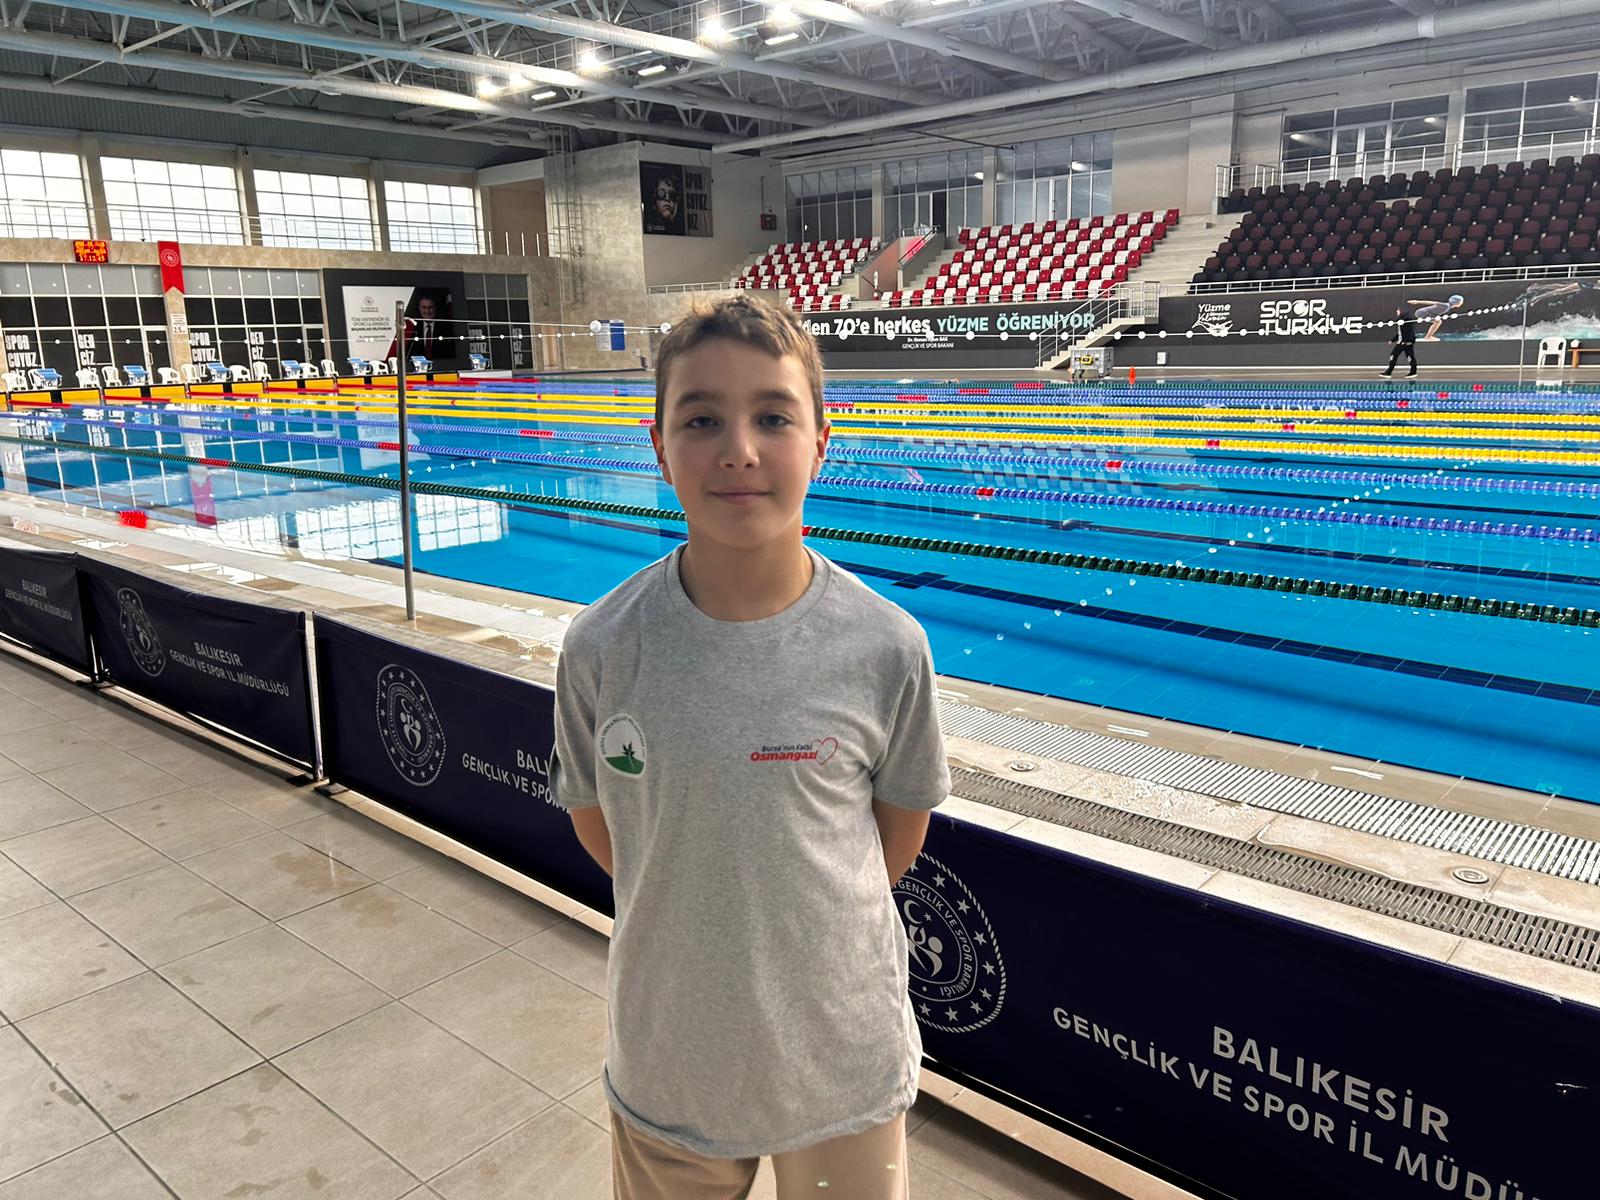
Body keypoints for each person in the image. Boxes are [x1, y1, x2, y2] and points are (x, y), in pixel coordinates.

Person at [551, 295, 949, 1200]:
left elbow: (893, 841)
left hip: (841, 1064)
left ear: (820, 442)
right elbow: (603, 824)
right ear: (658, 447)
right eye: (702, 420)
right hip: (668, 1061)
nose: (738, 449)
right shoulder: (602, 646)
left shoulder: (886, 646)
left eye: (773, 416)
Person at [1382, 306, 1418, 378]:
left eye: (1398, 311)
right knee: (1410, 356)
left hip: (1403, 342)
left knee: (1393, 355)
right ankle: (1413, 372)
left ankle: (1388, 372)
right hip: (1407, 342)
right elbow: (1400, 333)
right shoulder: (1403, 321)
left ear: (1401, 311)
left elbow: (1408, 332)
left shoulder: (1406, 321)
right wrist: (1393, 340)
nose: (1396, 312)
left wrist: (1406, 341)